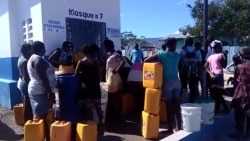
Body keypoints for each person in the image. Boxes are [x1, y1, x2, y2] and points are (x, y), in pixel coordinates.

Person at [145, 38, 182, 135]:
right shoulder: (178, 56)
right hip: (177, 82)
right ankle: (179, 127)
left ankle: (170, 128)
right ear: (173, 45)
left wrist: (158, 64)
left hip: (167, 82)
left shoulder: (161, 54)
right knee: (177, 106)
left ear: (167, 45)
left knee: (169, 107)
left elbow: (146, 60)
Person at [27, 41, 56, 141]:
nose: (45, 49)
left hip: (36, 89)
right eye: (43, 47)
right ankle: (44, 137)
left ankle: (41, 137)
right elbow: (43, 77)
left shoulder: (33, 58)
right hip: (40, 90)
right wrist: (49, 92)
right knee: (41, 116)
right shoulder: (38, 59)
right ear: (39, 48)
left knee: (40, 115)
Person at [75, 44, 103, 125]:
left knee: (88, 108)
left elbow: (76, 74)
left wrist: (83, 77)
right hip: (95, 87)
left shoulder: (81, 62)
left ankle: (88, 125)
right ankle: (101, 124)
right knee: (98, 107)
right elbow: (99, 75)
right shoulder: (96, 61)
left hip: (86, 88)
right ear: (92, 52)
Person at [205, 40, 229, 117]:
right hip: (219, 76)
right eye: (219, 46)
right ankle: (218, 111)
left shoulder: (210, 57)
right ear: (216, 48)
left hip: (212, 76)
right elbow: (224, 65)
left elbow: (205, 66)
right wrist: (226, 55)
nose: (221, 48)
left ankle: (216, 110)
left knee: (213, 94)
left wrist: (210, 72)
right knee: (219, 94)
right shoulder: (221, 55)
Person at [230, 48, 250, 139]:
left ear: (243, 56)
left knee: (239, 111)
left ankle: (241, 132)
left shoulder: (239, 67)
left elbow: (237, 80)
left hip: (242, 92)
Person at [105, 39, 125, 122]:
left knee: (114, 98)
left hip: (113, 78)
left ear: (108, 46)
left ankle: (117, 116)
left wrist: (116, 70)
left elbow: (122, 62)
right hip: (111, 77)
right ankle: (117, 115)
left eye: (105, 47)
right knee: (115, 97)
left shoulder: (115, 54)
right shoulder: (112, 55)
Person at [180, 37, 202, 103]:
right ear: (192, 43)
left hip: (184, 72)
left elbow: (179, 62)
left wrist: (180, 72)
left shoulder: (182, 50)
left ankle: (180, 101)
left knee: (183, 87)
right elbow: (199, 63)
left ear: (186, 43)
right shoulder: (197, 51)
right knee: (192, 88)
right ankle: (191, 102)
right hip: (193, 72)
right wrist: (198, 72)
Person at [17, 43, 33, 123]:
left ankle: (27, 123)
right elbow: (26, 77)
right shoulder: (25, 61)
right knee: (28, 107)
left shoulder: (21, 58)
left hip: (22, 82)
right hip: (26, 84)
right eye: (31, 50)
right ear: (28, 50)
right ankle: (27, 123)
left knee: (26, 105)